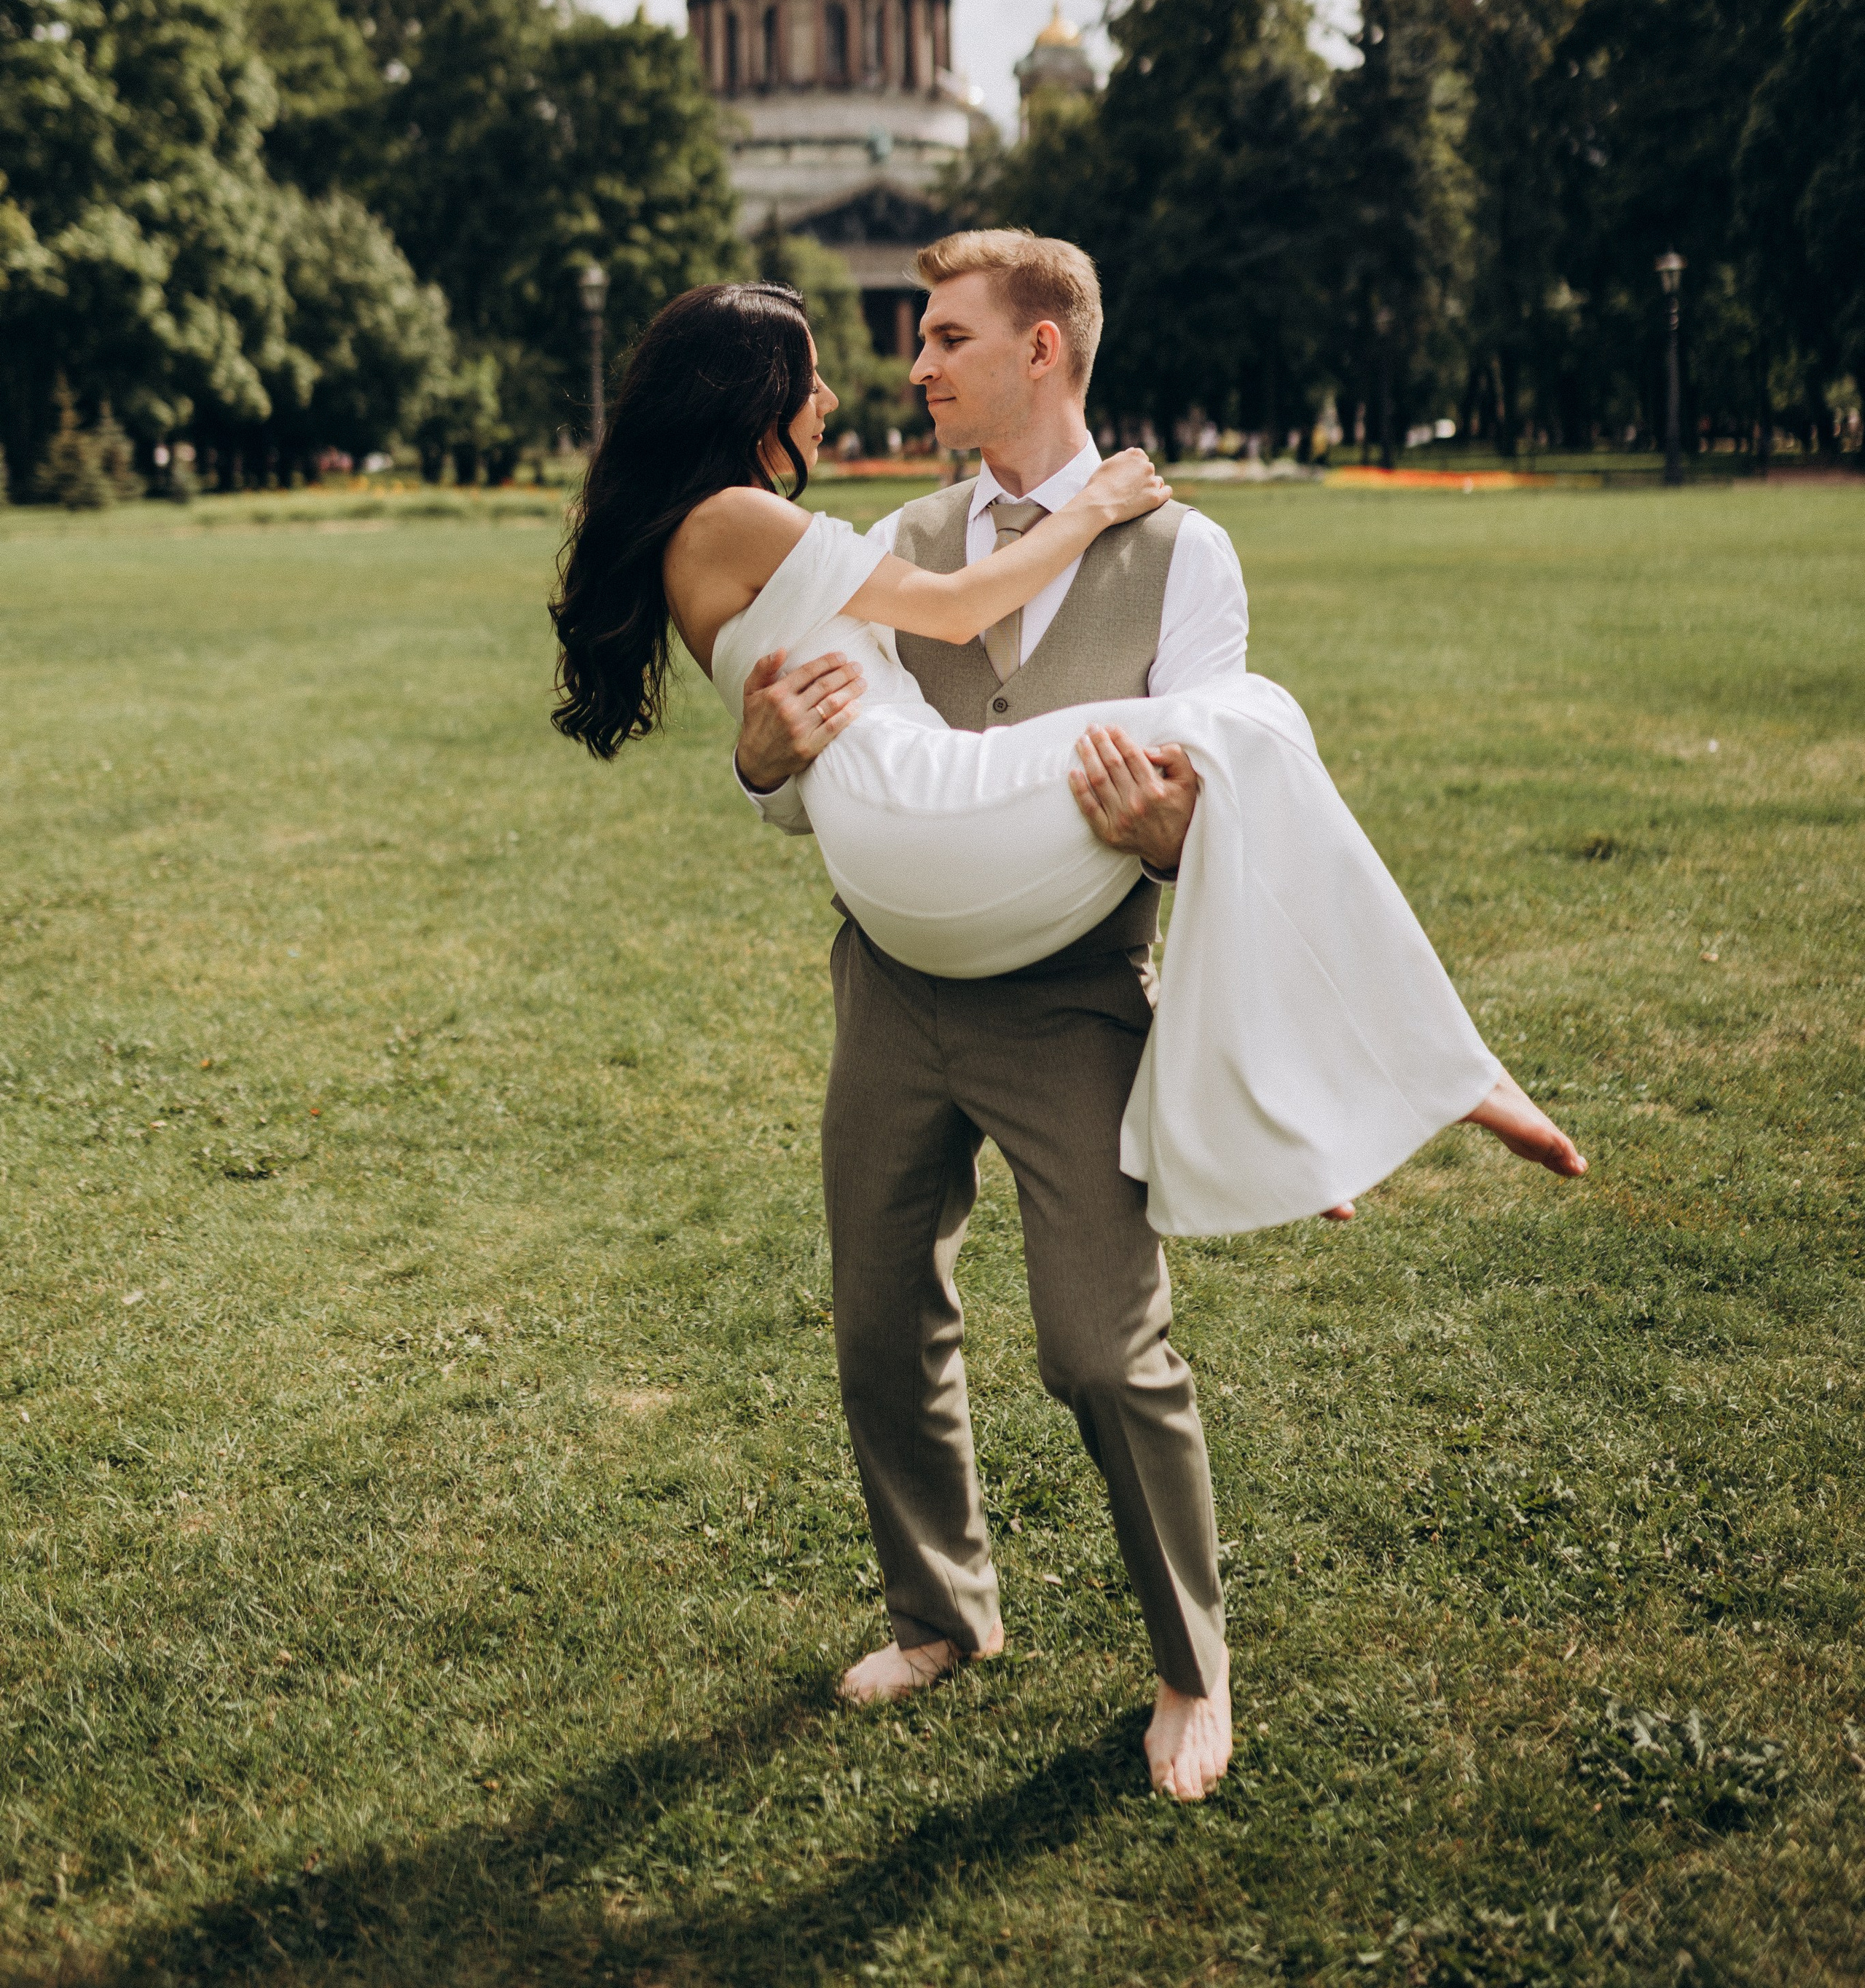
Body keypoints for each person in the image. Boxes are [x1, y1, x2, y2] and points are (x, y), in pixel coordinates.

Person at [550, 238, 1585, 1804]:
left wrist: (1163, 827)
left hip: (1071, 991)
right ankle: (939, 1613)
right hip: (893, 983)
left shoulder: (1187, 559)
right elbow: (822, 792)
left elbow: (1191, 822)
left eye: (944, 337)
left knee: (1104, 1354)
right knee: (877, 1322)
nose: (911, 367)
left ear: (1044, 350)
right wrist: (757, 757)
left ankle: (1189, 1670)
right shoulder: (890, 535)